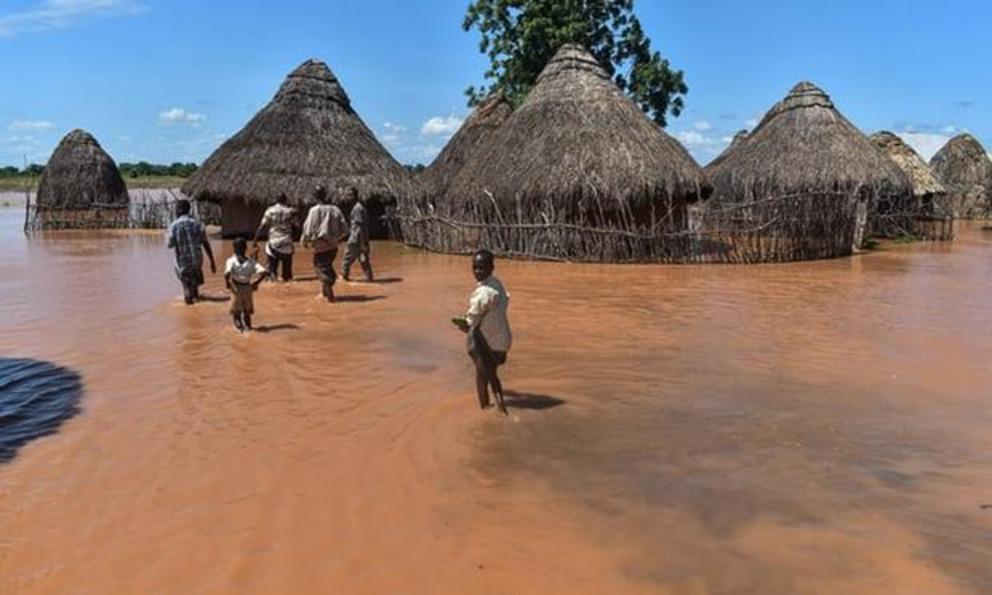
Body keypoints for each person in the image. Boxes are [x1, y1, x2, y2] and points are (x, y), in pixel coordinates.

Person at [455, 249, 512, 414]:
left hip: (488, 343)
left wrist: (463, 325)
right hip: (502, 340)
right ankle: (495, 410)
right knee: (490, 375)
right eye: (475, 267)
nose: (477, 271)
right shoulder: (497, 284)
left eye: (482, 268)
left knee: (484, 377)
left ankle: (489, 411)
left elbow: (471, 321)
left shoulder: (483, 293)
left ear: (491, 268)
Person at [300, 185, 348, 302]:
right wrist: (337, 239)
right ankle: (324, 292)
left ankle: (329, 285)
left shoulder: (313, 211)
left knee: (320, 268)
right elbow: (346, 229)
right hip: (333, 246)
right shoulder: (335, 209)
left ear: (315, 197)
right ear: (326, 195)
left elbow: (307, 229)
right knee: (326, 265)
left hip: (319, 246)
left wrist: (305, 242)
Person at [167, 199, 216, 305]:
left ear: (178, 211)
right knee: (194, 283)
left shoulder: (174, 226)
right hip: (197, 261)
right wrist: (212, 261)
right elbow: (205, 243)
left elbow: (169, 244)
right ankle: (196, 302)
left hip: (183, 262)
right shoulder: (197, 224)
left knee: (186, 284)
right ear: (188, 210)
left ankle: (189, 306)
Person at [224, 237, 269, 332]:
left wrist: (227, 283)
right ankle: (249, 328)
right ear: (245, 249)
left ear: (234, 249)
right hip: (248, 288)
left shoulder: (231, 261)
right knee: (247, 312)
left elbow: (227, 274)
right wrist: (256, 283)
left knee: (236, 313)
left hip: (236, 288)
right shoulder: (251, 262)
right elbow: (264, 272)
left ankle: (240, 330)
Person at [253, 193, 296, 282]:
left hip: (273, 244)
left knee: (271, 274)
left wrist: (255, 240)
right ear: (285, 200)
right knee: (287, 276)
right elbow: (297, 226)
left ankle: (272, 280)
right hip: (287, 245)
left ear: (276, 200)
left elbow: (262, 226)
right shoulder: (290, 211)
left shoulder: (270, 211)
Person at [341, 189, 374, 282]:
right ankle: (370, 279)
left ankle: (344, 280)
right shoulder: (359, 208)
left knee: (346, 261)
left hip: (356, 239)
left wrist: (362, 242)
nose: (347, 198)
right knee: (364, 261)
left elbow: (359, 227)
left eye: (349, 195)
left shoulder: (357, 209)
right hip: (361, 239)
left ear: (354, 196)